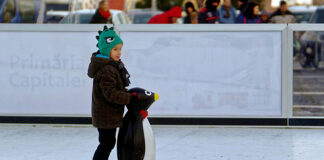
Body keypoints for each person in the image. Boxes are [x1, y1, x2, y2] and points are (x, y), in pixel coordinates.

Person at [88, 26, 137, 160]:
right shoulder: (107, 69)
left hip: (107, 114)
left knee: (107, 143)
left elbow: (116, 89)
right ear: (106, 49)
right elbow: (111, 94)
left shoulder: (112, 66)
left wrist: (127, 93)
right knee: (106, 143)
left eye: (120, 49)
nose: (119, 52)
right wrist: (129, 98)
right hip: (105, 115)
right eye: (115, 49)